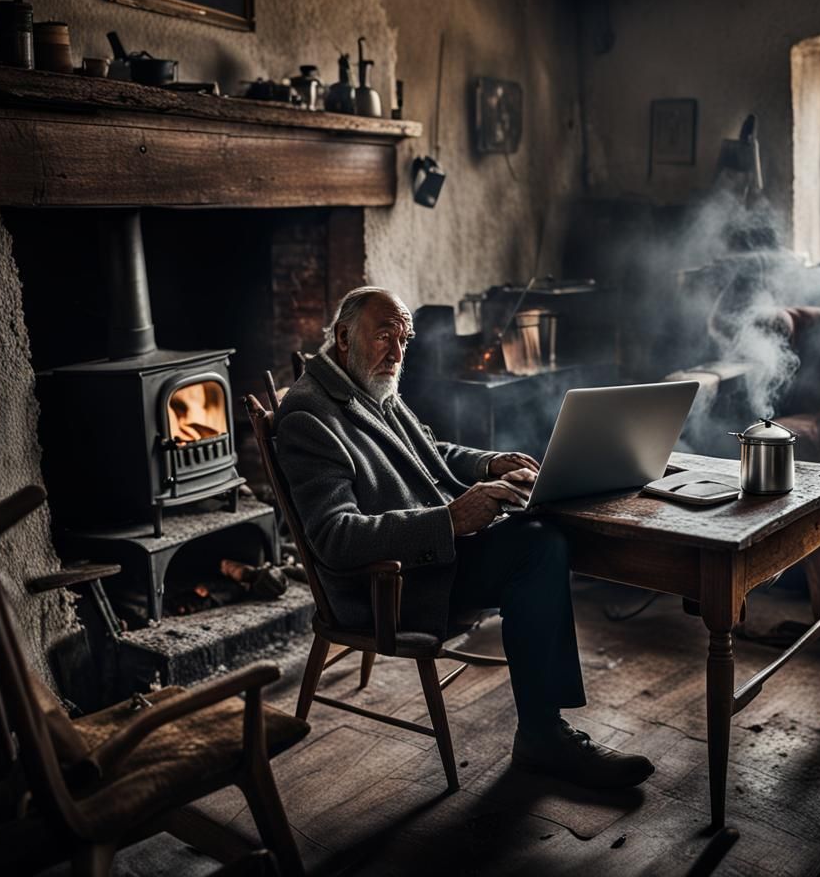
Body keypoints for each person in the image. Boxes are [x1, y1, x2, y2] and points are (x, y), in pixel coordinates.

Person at [275, 286, 654, 789]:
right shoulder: (309, 416)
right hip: (393, 586)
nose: (397, 352)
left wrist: (488, 463)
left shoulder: (364, 383)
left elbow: (428, 449)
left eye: (404, 339)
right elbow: (334, 538)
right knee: (539, 546)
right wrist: (450, 520)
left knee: (542, 527)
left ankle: (543, 731)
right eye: (385, 335)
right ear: (344, 337)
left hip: (433, 557)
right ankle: (542, 737)